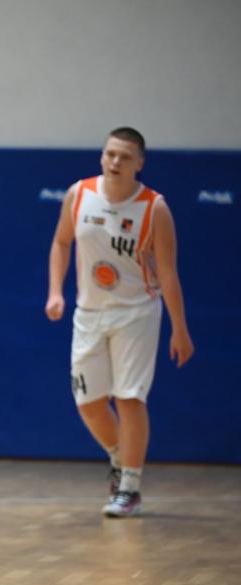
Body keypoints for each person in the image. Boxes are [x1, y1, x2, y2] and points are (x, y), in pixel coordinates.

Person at [46, 126, 193, 517]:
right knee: (89, 403)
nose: (115, 162)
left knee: (129, 398)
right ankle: (118, 454)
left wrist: (179, 328)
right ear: (102, 156)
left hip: (136, 312)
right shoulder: (79, 194)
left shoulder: (154, 208)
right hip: (89, 313)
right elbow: (61, 242)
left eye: (124, 157)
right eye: (110, 154)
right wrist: (56, 291)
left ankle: (130, 486)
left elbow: (169, 273)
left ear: (139, 163)